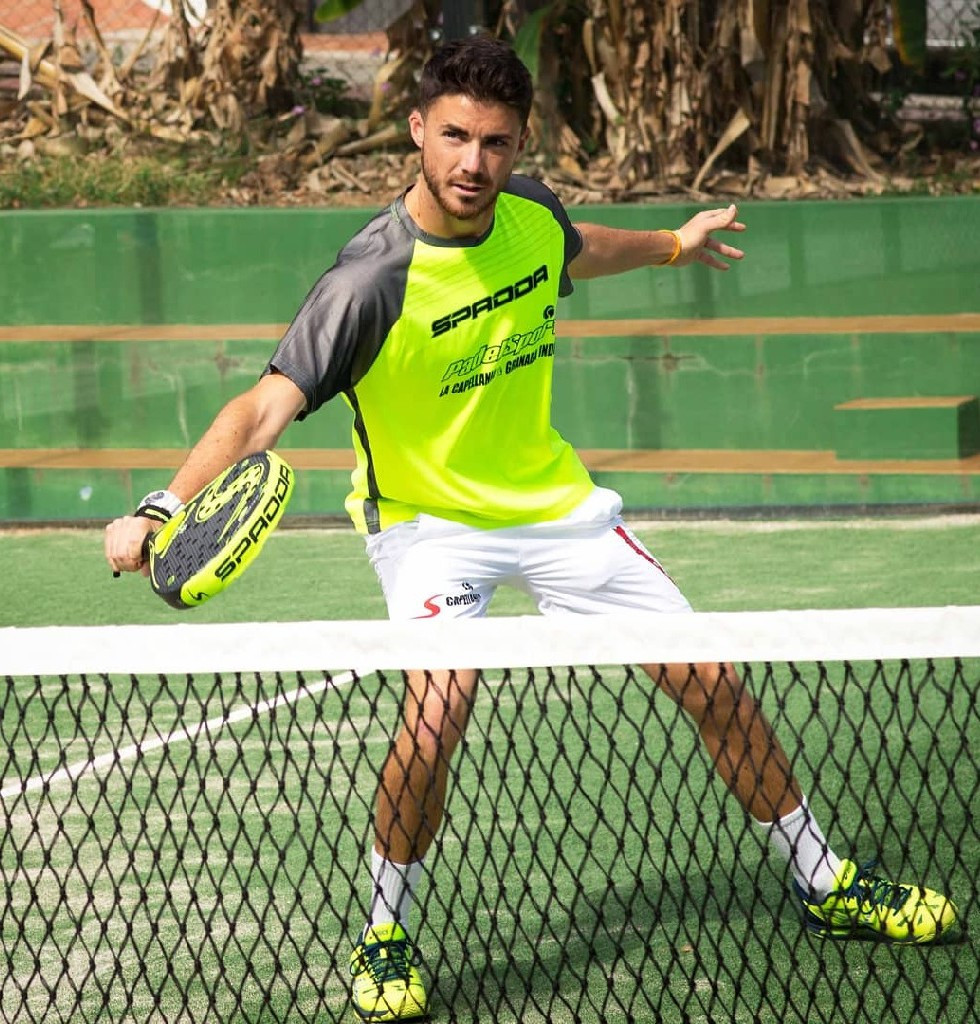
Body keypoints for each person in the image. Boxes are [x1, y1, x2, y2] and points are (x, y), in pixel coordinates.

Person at [105, 35, 957, 1024]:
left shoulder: (530, 215)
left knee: (713, 681)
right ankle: (384, 930)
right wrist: (163, 505)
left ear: (518, 145)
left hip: (554, 508)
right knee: (437, 717)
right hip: (427, 524)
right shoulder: (368, 282)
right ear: (417, 129)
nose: (472, 162)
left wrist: (674, 244)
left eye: (495, 142)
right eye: (454, 136)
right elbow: (262, 409)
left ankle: (823, 878)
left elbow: (581, 246)